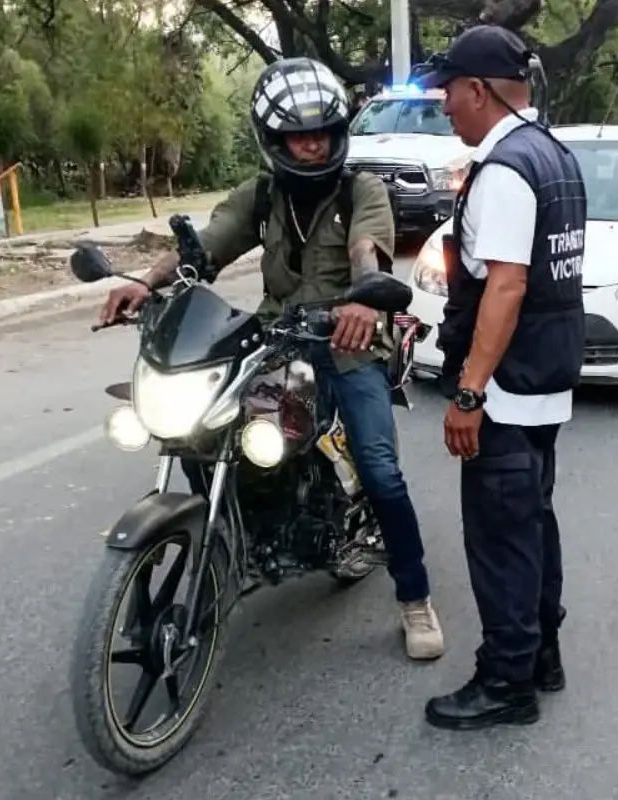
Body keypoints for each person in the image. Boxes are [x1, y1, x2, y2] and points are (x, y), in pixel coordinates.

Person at [97, 57, 445, 662]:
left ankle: (414, 599)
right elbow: (204, 249)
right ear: (275, 141)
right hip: (276, 337)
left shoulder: (362, 191)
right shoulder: (260, 196)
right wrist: (147, 285)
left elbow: (368, 253)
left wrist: (365, 300)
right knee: (203, 428)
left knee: (381, 469)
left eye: (322, 133)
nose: (312, 147)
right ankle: (239, 532)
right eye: (297, 137)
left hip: (347, 342)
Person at [411, 25, 587, 730]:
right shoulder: (553, 155)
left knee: (501, 538)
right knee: (533, 525)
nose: (443, 105)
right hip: (544, 382)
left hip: (507, 390)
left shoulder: (506, 170)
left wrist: (468, 393)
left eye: (449, 91)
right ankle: (542, 655)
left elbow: (507, 287)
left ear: (479, 91)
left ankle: (507, 681)